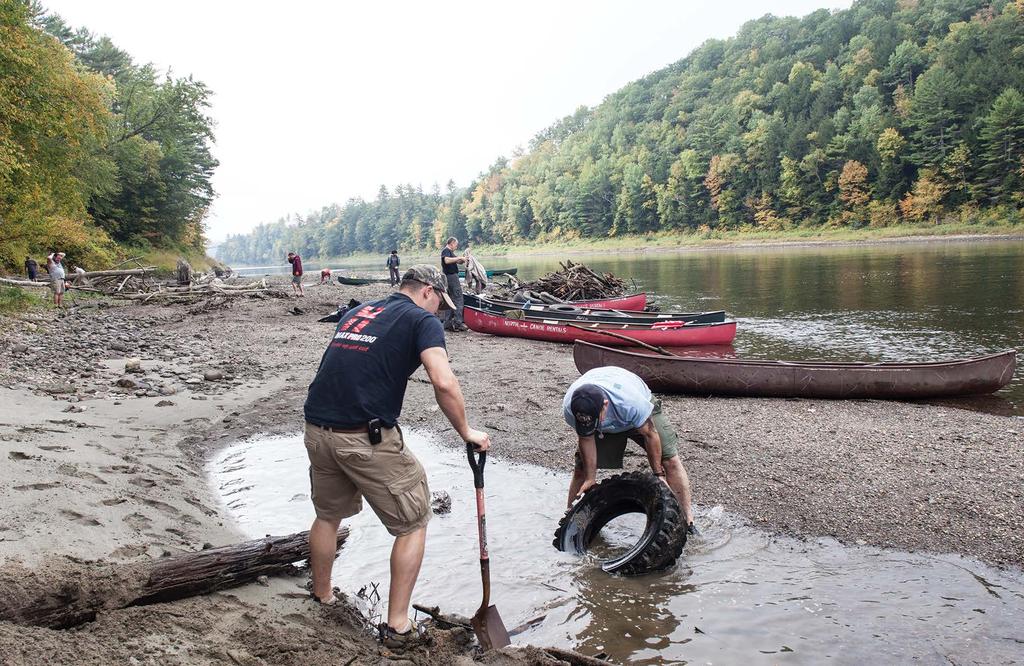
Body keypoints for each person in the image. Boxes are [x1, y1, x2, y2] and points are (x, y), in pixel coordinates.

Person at [302, 264, 491, 649]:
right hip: (363, 436)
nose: (439, 311)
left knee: (327, 516)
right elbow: (442, 379)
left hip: (316, 429)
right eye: (440, 303)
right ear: (427, 291)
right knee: (414, 520)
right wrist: (467, 432)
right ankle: (398, 627)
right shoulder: (422, 320)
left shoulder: (361, 311)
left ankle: (322, 595)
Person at [563, 366, 696, 533]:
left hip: (637, 413)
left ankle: (687, 521)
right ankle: (571, 525)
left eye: (594, 421)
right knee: (581, 469)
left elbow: (650, 434)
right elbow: (586, 437)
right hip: (605, 413)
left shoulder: (630, 402)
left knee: (670, 460)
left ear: (605, 405)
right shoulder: (570, 408)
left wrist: (658, 475)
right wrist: (591, 478)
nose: (590, 425)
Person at [439, 237, 467, 331]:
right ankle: (458, 323)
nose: (456, 246)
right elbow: (447, 260)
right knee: (458, 298)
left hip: (448, 278)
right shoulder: (446, 251)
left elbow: (455, 260)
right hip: (451, 277)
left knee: (449, 300)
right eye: (456, 244)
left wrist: (462, 260)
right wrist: (459, 258)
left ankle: (447, 323)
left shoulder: (450, 252)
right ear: (452, 243)